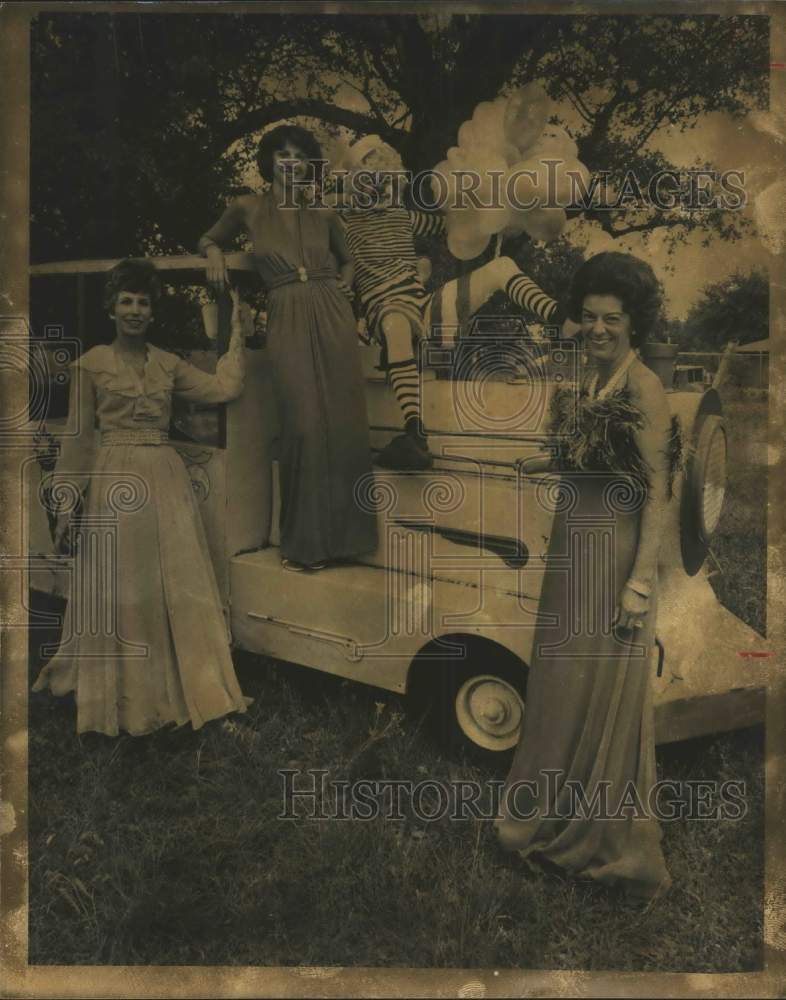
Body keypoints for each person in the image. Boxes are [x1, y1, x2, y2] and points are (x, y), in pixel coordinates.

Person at [495, 251, 681, 902]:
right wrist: (544, 463)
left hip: (614, 556)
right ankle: (549, 810)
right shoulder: (593, 376)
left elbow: (658, 493)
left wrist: (639, 585)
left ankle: (602, 839)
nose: (598, 329)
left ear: (634, 323)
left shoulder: (644, 388)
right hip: (574, 544)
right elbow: (594, 459)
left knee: (597, 682)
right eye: (591, 316)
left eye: (613, 319)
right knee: (561, 677)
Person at [33, 258, 251, 736]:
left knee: (174, 580)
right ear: (111, 309)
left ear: (152, 312)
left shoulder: (168, 364)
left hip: (165, 479)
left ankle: (183, 685)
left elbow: (222, 388)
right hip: (114, 481)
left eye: (143, 303)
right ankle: (123, 696)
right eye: (126, 302)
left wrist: (238, 331)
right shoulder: (91, 364)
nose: (134, 311)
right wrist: (68, 503)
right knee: (123, 583)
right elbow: (79, 439)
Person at [336, 136, 579, 471]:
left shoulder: (405, 217)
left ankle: (560, 318)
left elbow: (454, 225)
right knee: (395, 325)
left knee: (501, 267)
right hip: (387, 314)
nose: (381, 191)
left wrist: (494, 211)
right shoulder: (344, 223)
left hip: (425, 310)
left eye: (387, 182)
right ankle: (414, 432)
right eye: (371, 182)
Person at [198, 124, 377, 571]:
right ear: (270, 161)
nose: (291, 163)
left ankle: (347, 541)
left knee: (342, 421)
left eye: (299, 156)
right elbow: (208, 238)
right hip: (286, 309)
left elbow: (350, 260)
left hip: (331, 311)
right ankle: (304, 546)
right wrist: (214, 255)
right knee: (302, 424)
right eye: (283, 155)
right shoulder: (247, 206)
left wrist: (345, 285)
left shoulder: (324, 212)